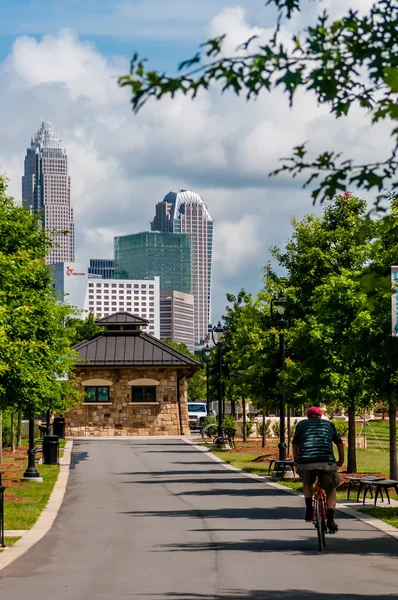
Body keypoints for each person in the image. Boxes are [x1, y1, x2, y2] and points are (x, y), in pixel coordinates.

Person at [292, 406, 344, 533]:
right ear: (320, 416)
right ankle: (330, 519)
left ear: (308, 416)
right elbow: (339, 443)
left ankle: (309, 510)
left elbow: (295, 444)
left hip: (306, 461)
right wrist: (341, 461)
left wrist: (296, 460)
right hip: (326, 461)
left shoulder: (301, 425)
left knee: (307, 483)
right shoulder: (328, 425)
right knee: (331, 488)